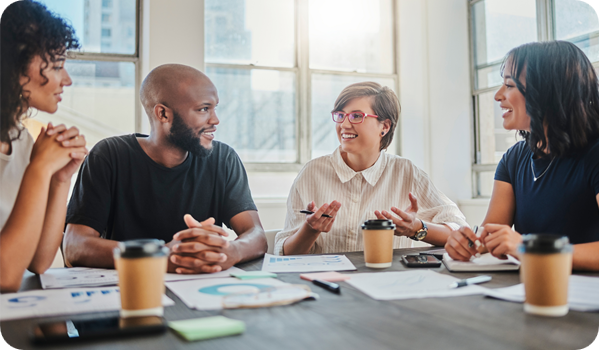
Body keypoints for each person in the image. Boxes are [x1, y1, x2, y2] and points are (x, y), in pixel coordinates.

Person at [63, 64, 267, 274]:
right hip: (132, 291)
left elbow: (256, 234)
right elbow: (74, 246)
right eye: (203, 109)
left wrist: (231, 250)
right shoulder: (108, 156)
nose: (215, 120)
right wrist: (158, 255)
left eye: (214, 108)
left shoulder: (223, 159)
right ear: (162, 114)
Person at [446, 41, 599, 271]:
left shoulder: (594, 154)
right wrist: (467, 243)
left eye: (509, 85)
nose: (498, 96)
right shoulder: (514, 158)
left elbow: (521, 245)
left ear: (547, 91)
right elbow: (489, 236)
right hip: (531, 288)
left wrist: (530, 246)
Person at [275, 82, 467, 255]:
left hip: (387, 285)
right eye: (340, 115)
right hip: (326, 284)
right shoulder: (312, 173)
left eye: (357, 116)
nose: (344, 124)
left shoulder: (406, 172)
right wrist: (310, 230)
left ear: (384, 126)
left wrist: (416, 228)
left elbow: (459, 231)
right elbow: (286, 253)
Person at [0, 0, 87, 292]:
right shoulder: (30, 152)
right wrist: (40, 168)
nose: (67, 79)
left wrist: (60, 179)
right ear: (13, 62)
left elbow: (38, 261)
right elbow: (5, 276)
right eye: (58, 64)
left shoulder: (21, 139)